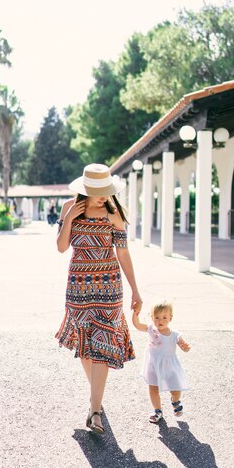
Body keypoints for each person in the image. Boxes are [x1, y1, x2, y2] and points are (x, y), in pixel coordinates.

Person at [55, 163, 142, 435]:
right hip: (79, 287)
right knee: (85, 344)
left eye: (107, 190)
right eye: (98, 190)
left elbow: (124, 254)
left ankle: (94, 411)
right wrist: (69, 220)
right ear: (86, 189)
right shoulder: (70, 207)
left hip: (109, 288)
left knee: (102, 345)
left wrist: (136, 290)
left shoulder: (114, 214)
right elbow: (60, 247)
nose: (104, 195)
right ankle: (98, 400)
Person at [132, 302, 190, 424]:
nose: (160, 321)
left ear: (170, 318)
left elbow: (182, 345)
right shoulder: (151, 330)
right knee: (153, 389)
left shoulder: (175, 335)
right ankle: (157, 410)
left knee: (175, 388)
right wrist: (135, 314)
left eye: (164, 317)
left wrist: (185, 347)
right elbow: (137, 325)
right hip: (153, 365)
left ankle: (175, 401)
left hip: (169, 366)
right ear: (152, 318)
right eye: (157, 317)